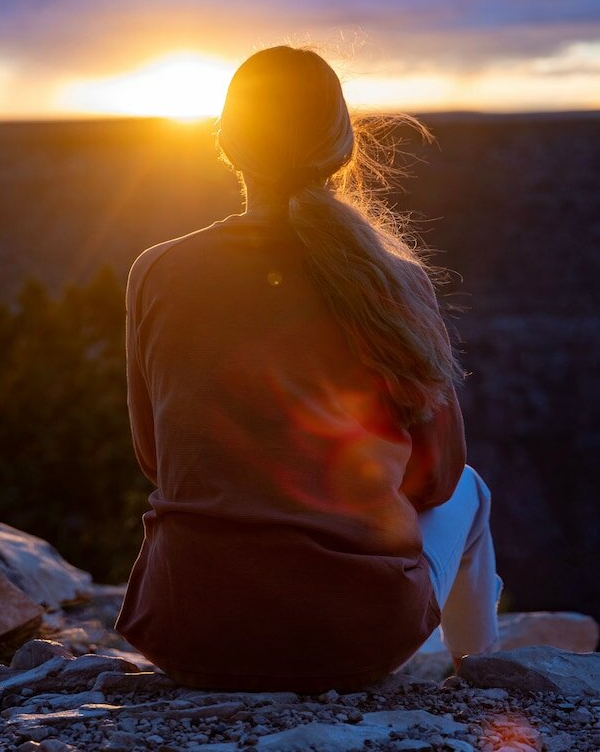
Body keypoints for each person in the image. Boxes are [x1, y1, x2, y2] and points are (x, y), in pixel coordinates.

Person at [114, 45, 504, 692]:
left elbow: (157, 458)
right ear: (342, 149)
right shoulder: (392, 281)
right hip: (350, 639)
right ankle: (482, 682)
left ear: (226, 144)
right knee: (471, 491)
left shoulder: (155, 271)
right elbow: (437, 479)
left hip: (185, 630)